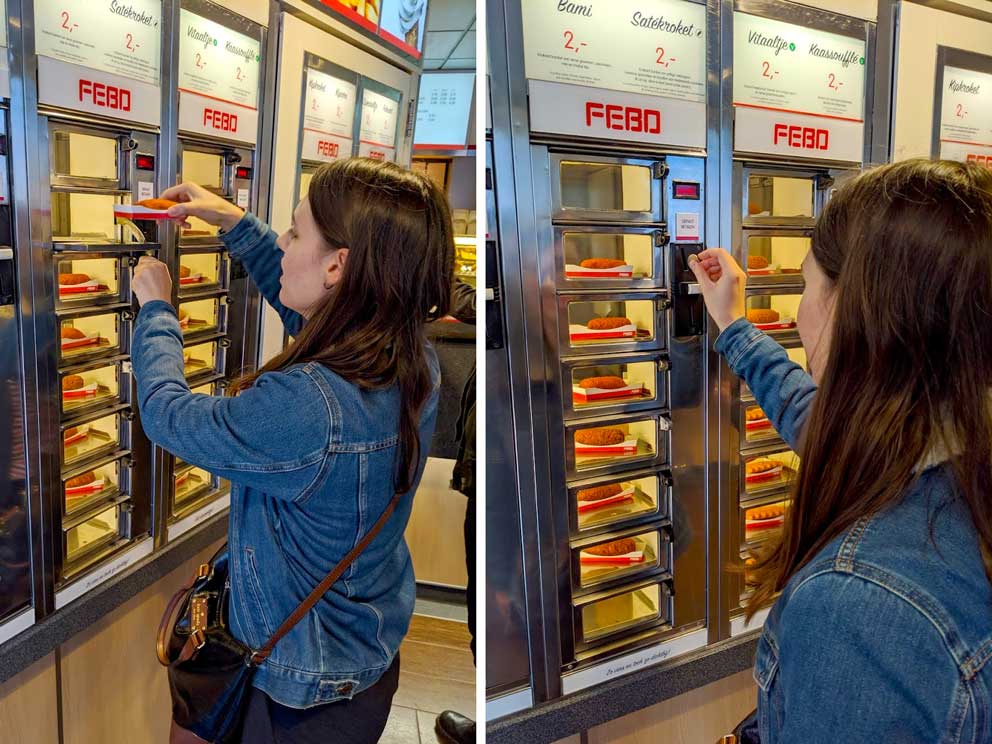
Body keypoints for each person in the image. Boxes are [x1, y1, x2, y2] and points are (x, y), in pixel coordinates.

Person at [129, 158, 454, 743]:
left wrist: (156, 309)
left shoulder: (308, 404)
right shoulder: (407, 355)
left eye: (295, 231)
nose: (282, 242)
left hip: (299, 692)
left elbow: (168, 416)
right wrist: (231, 221)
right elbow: (313, 318)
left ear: (339, 265)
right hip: (361, 655)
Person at [688, 159, 992, 742]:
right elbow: (818, 421)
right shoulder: (951, 448)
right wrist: (733, 325)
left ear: (857, 314)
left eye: (807, 285)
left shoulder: (858, 606)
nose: (801, 311)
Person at [436, 280, 476, 744]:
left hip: (500, 464)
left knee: (489, 596)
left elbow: (473, 302)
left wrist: (438, 275)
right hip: (492, 462)